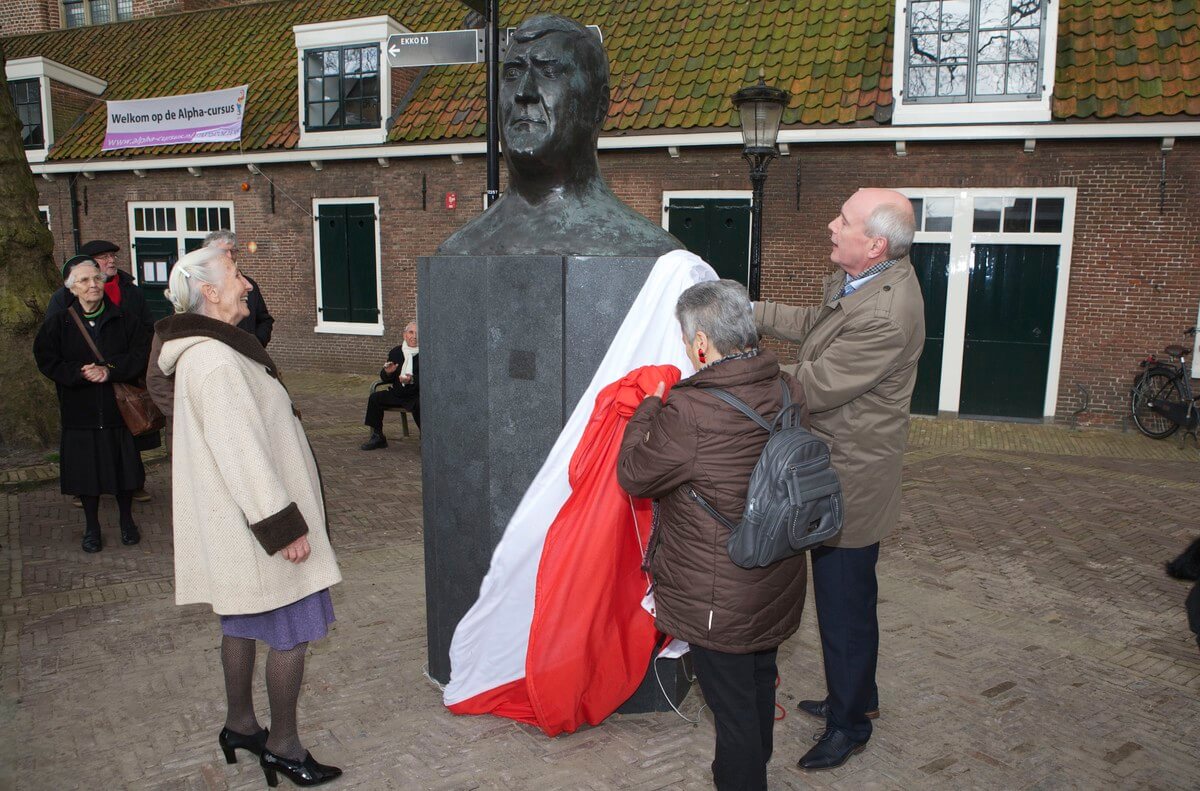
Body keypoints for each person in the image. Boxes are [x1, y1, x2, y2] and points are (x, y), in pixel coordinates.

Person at [154, 246, 343, 787]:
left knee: (240, 619)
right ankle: (283, 746)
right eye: (235, 276)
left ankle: (240, 725)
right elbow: (242, 451)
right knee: (292, 630)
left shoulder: (211, 351)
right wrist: (283, 528)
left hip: (236, 526)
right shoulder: (215, 360)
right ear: (209, 292)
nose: (246, 284)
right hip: (260, 526)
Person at [754, 188, 925, 770]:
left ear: (874, 242)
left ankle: (850, 725)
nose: (831, 225)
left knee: (844, 606)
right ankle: (860, 697)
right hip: (836, 464)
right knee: (849, 601)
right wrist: (747, 311)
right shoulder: (861, 282)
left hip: (851, 479)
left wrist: (732, 367)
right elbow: (812, 326)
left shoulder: (886, 313)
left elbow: (814, 384)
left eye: (843, 220)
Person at [617, 280, 809, 791]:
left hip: (718, 591)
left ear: (701, 343)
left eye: (686, 341)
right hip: (776, 571)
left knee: (732, 710)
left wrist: (646, 411)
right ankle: (749, 765)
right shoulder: (790, 386)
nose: (685, 350)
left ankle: (742, 777)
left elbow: (634, 474)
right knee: (758, 681)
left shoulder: (689, 411)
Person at [437, 14, 681, 256]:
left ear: (598, 105)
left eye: (549, 71)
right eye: (513, 73)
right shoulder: (459, 250)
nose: (524, 92)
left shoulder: (658, 257)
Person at [33, 255, 150, 552]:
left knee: (123, 472)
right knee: (86, 476)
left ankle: (127, 522)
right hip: (80, 411)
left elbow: (140, 354)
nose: (92, 285)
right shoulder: (58, 324)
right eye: (84, 281)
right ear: (72, 289)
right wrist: (77, 373)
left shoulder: (125, 320)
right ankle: (92, 528)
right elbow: (47, 359)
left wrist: (109, 370)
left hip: (116, 411)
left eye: (96, 279)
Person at [49, 239, 158, 504]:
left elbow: (145, 329)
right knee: (84, 437)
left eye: (112, 256)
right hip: (82, 381)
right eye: (104, 257)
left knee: (127, 431)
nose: (111, 261)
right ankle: (84, 488)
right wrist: (81, 371)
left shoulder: (130, 291)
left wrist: (116, 367)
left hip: (122, 375)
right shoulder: (63, 297)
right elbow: (53, 342)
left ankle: (132, 483)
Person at [204, 229, 274, 347]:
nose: (230, 256)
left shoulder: (249, 285)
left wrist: (256, 343)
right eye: (223, 251)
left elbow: (264, 320)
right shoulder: (202, 288)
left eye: (233, 251)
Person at [360, 322, 419, 450]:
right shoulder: (396, 352)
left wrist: (412, 380)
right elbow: (385, 377)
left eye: (417, 333)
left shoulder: (425, 354)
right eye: (411, 333)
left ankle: (426, 439)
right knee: (375, 398)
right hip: (398, 393)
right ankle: (378, 436)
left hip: (416, 395)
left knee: (422, 405)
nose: (414, 337)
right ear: (404, 335)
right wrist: (388, 372)